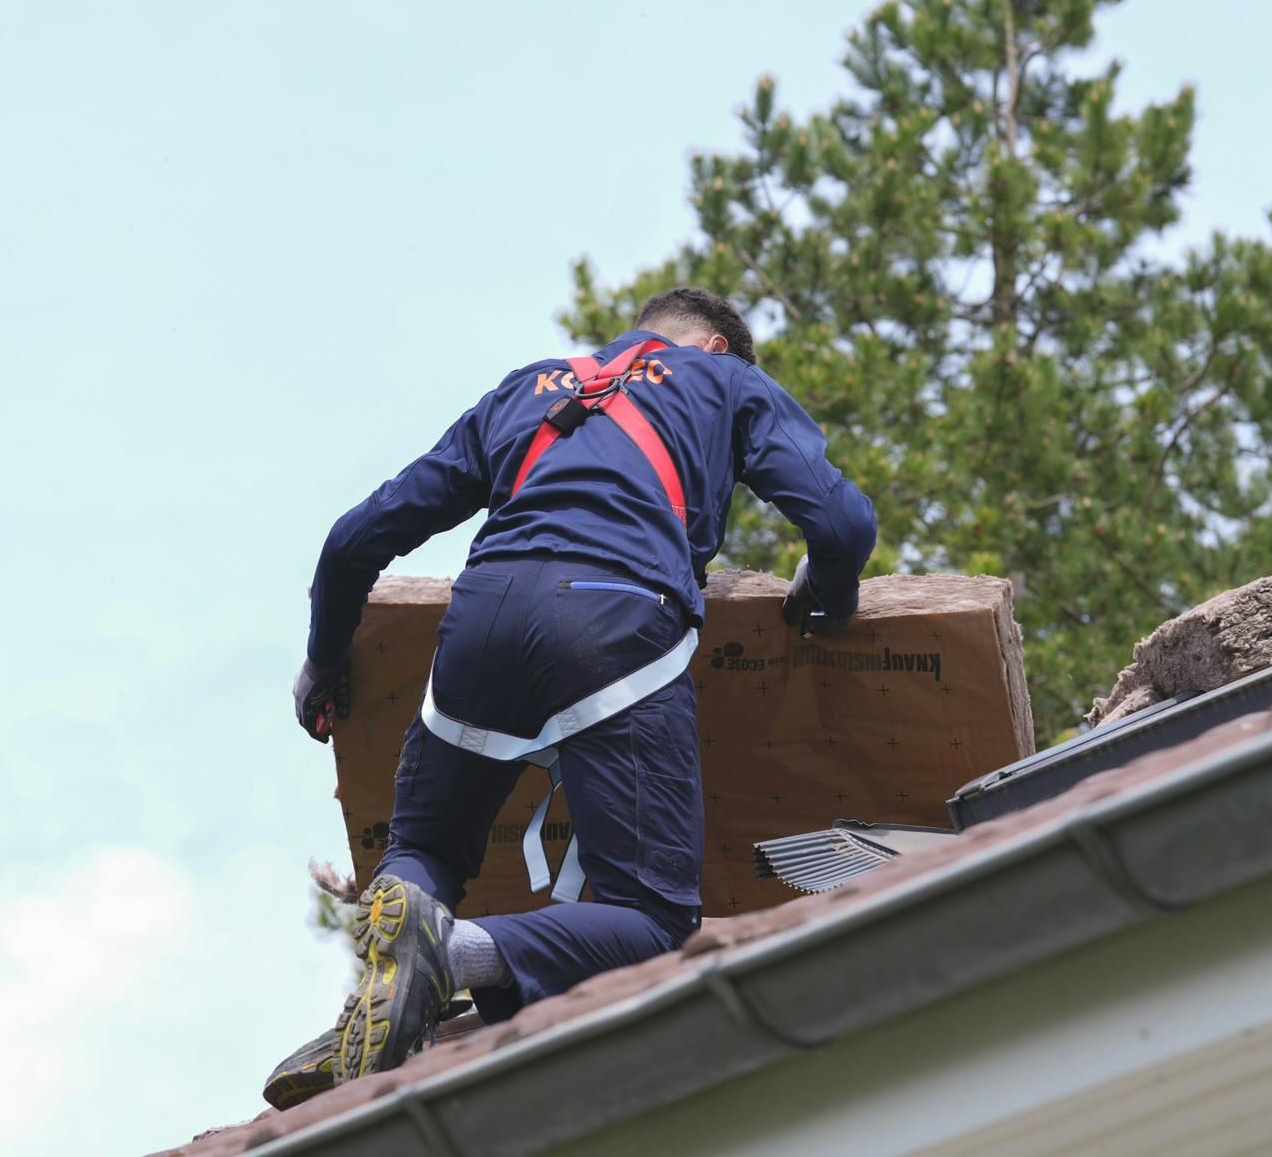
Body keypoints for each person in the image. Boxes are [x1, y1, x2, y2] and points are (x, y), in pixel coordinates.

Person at [286, 286, 876, 1089]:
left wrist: (324, 659)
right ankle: (454, 956)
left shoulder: (527, 386)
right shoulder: (727, 382)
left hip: (480, 622)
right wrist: (827, 592)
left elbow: (356, 537)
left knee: (422, 851)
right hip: (614, 627)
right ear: (714, 348)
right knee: (655, 918)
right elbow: (841, 524)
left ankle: (390, 984)